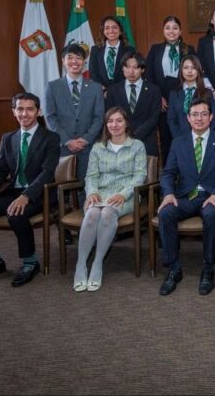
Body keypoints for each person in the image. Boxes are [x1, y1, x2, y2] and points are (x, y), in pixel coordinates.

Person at [0, 92, 60, 287]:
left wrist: (26, 196)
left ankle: (30, 262)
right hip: (13, 191)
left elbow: (47, 172)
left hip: (40, 192)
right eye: (20, 109)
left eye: (30, 109)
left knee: (16, 214)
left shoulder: (51, 137)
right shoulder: (8, 138)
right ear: (13, 112)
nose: (24, 114)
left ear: (38, 111)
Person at [157, 97, 215, 296]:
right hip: (184, 196)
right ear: (188, 118)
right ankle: (174, 268)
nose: (199, 118)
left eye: (203, 114)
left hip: (209, 196)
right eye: (195, 115)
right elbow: (168, 173)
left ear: (211, 117)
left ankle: (208, 268)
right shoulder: (178, 142)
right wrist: (168, 194)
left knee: (210, 215)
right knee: (165, 213)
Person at [73, 107, 147, 292]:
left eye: (119, 120)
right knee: (91, 214)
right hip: (100, 192)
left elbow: (139, 176)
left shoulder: (137, 145)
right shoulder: (98, 147)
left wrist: (122, 194)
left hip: (125, 195)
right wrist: (91, 192)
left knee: (107, 213)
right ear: (106, 125)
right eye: (110, 121)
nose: (114, 125)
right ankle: (81, 265)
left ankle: (97, 263)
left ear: (126, 123)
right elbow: (91, 176)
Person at [45, 43, 104, 183]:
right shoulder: (53, 86)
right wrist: (67, 140)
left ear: (84, 62)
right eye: (69, 57)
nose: (74, 62)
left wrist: (85, 139)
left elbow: (99, 117)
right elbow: (50, 117)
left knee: (89, 183)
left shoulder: (95, 88)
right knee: (63, 186)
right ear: (63, 61)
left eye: (78, 58)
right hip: (63, 145)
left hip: (89, 146)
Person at [145, 15, 196, 161]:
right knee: (166, 137)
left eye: (175, 28)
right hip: (162, 101)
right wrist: (158, 98)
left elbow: (195, 73)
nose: (171, 31)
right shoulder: (155, 50)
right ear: (163, 31)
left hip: (183, 97)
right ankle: (170, 172)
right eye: (167, 28)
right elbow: (148, 76)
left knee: (187, 134)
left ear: (180, 31)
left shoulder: (189, 50)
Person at [105, 53, 161, 157]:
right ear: (122, 68)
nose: (131, 71)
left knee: (147, 173)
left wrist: (134, 136)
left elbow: (154, 117)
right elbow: (110, 115)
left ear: (142, 69)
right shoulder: (113, 90)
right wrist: (124, 135)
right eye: (127, 66)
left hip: (146, 142)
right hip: (120, 141)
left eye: (135, 67)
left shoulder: (154, 90)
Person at [167, 54, 213, 140]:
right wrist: (179, 139)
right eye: (186, 67)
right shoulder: (174, 94)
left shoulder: (207, 93)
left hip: (202, 139)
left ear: (199, 71)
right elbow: (171, 120)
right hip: (180, 139)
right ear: (181, 70)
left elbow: (211, 118)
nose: (189, 71)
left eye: (193, 68)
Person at [88, 16, 135, 90]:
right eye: (107, 28)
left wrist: (116, 91)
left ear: (120, 31)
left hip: (123, 91)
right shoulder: (95, 50)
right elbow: (93, 73)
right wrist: (103, 89)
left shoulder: (129, 50)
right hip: (101, 92)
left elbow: (132, 72)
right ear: (103, 31)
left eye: (114, 27)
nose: (111, 30)